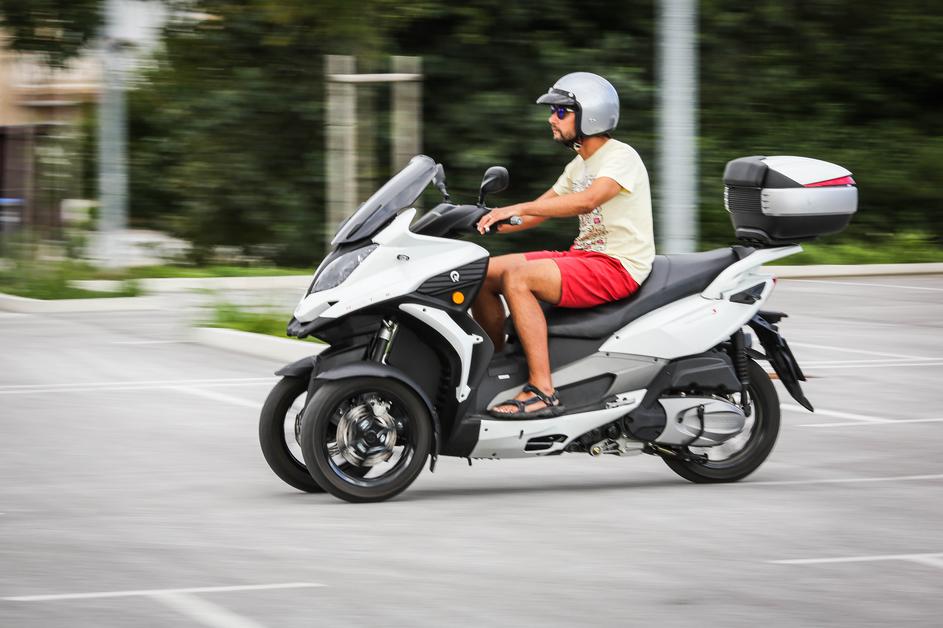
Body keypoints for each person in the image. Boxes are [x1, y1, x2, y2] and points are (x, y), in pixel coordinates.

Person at [473, 72, 655, 419]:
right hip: (585, 256)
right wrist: (485, 218)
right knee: (482, 272)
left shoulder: (621, 157)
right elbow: (535, 213)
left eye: (560, 111)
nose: (551, 119)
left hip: (618, 265)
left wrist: (518, 208)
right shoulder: (579, 164)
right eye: (552, 112)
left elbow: (588, 200)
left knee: (518, 278)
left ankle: (543, 390)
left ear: (591, 115)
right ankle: (495, 367)